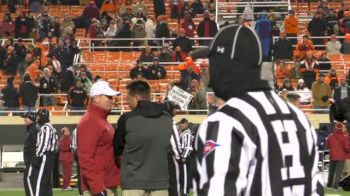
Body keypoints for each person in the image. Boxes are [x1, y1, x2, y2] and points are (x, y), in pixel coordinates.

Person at [191, 24, 324, 195]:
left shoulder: (226, 122)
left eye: (212, 61)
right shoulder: (298, 117)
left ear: (224, 64)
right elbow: (316, 189)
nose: (209, 69)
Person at [114, 80, 173, 196]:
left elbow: (117, 151)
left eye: (128, 99)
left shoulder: (127, 119)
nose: (127, 103)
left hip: (133, 183)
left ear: (136, 98)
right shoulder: (167, 118)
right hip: (161, 183)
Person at [77, 80, 121, 196]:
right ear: (96, 98)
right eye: (108, 97)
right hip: (100, 187)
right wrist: (97, 188)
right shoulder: (90, 121)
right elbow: (85, 158)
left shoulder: (100, 120)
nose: (112, 100)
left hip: (106, 185)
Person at [30, 109, 58, 196]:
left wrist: (37, 156)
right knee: (46, 183)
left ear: (42, 116)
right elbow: (56, 146)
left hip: (45, 156)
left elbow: (43, 145)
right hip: (50, 156)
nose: (37, 118)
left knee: (40, 182)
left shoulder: (45, 127)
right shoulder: (51, 127)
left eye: (38, 115)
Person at [326, 122, 350, 190]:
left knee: (331, 171)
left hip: (332, 156)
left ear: (335, 128)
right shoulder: (344, 137)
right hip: (341, 157)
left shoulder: (330, 136)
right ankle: (335, 186)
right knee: (338, 172)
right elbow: (347, 148)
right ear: (342, 128)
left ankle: (329, 185)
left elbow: (327, 146)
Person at [22, 111, 38, 196]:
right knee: (29, 180)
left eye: (26, 117)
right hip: (29, 160)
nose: (24, 119)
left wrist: (34, 160)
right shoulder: (30, 128)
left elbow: (38, 145)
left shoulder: (35, 129)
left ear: (31, 118)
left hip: (32, 160)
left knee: (28, 179)